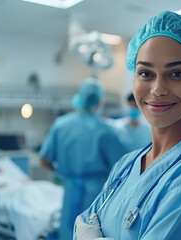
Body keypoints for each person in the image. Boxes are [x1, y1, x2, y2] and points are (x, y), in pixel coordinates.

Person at [74, 11, 181, 240]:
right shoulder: (126, 165)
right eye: (146, 73)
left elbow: (85, 228)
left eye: (176, 73)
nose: (158, 88)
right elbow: (82, 222)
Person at [39, 78, 127, 240]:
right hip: (97, 194)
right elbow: (123, 168)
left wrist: (64, 174)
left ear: (80, 98)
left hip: (70, 190)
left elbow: (44, 160)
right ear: (99, 101)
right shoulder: (106, 129)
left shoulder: (61, 125)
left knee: (68, 230)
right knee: (91, 232)